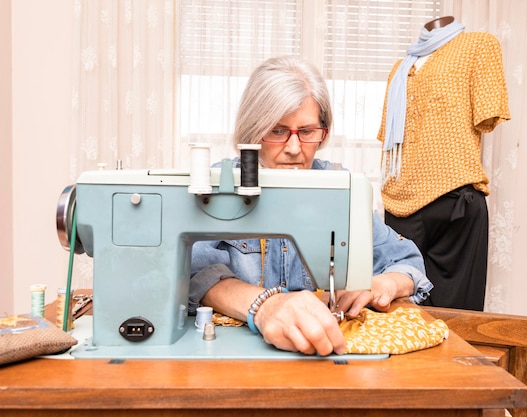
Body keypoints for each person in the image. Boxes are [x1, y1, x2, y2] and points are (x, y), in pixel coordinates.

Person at [189, 56, 433, 357]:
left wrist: (381, 284)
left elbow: (407, 261)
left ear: (323, 133)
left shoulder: (339, 189)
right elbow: (192, 271)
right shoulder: (217, 188)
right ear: (252, 131)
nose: (294, 148)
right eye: (277, 131)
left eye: (306, 132)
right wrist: (266, 305)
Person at [377, 17, 510, 311]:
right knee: (397, 313)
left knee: (459, 319)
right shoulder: (400, 68)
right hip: (400, 205)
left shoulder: (478, 45)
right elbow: (389, 138)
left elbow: (488, 114)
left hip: (454, 202)